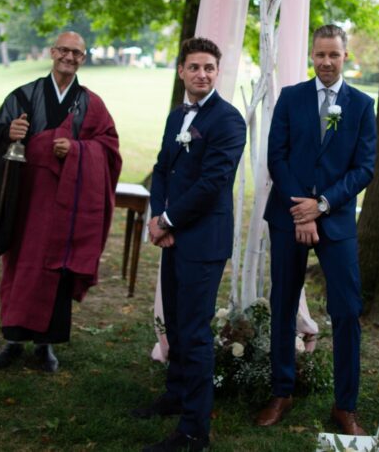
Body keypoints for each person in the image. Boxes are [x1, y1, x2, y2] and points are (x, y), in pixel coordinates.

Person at [254, 24, 377, 436]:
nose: (326, 62)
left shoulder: (361, 105)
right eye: (320, 54)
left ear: (346, 57)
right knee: (283, 303)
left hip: (336, 220)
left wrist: (321, 206)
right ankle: (281, 390)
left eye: (334, 55)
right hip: (288, 215)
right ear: (312, 55)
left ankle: (345, 406)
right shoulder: (291, 98)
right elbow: (277, 156)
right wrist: (300, 211)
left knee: (346, 310)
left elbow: (364, 168)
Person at [0, 31, 121, 373]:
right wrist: (6, 134)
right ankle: (12, 339)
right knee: (20, 265)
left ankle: (45, 345)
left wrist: (77, 150)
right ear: (53, 52)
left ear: (83, 59)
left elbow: (110, 148)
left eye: (77, 53)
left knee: (56, 266)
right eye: (64, 50)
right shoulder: (23, 95)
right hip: (26, 199)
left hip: (66, 202)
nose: (69, 57)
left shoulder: (91, 103)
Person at [134, 37, 246, 452]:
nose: (202, 74)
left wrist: (170, 219)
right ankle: (176, 394)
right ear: (181, 71)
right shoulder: (175, 116)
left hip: (202, 241)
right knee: (177, 323)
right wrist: (157, 216)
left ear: (218, 73)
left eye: (209, 68)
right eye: (194, 67)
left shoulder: (229, 121)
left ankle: (194, 430)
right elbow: (162, 169)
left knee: (196, 332)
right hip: (173, 235)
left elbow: (212, 183)